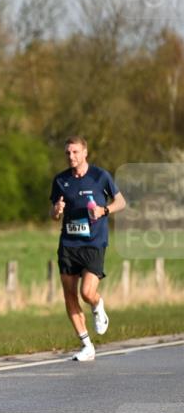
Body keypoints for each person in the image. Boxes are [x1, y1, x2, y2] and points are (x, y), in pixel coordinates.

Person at [50, 136, 126, 362]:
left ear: (85, 153)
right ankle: (86, 345)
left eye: (75, 152)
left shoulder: (100, 176)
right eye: (68, 153)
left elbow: (121, 202)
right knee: (70, 295)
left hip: (94, 242)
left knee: (87, 293)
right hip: (68, 244)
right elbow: (54, 216)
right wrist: (57, 209)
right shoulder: (60, 180)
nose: (71, 157)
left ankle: (97, 304)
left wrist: (104, 211)